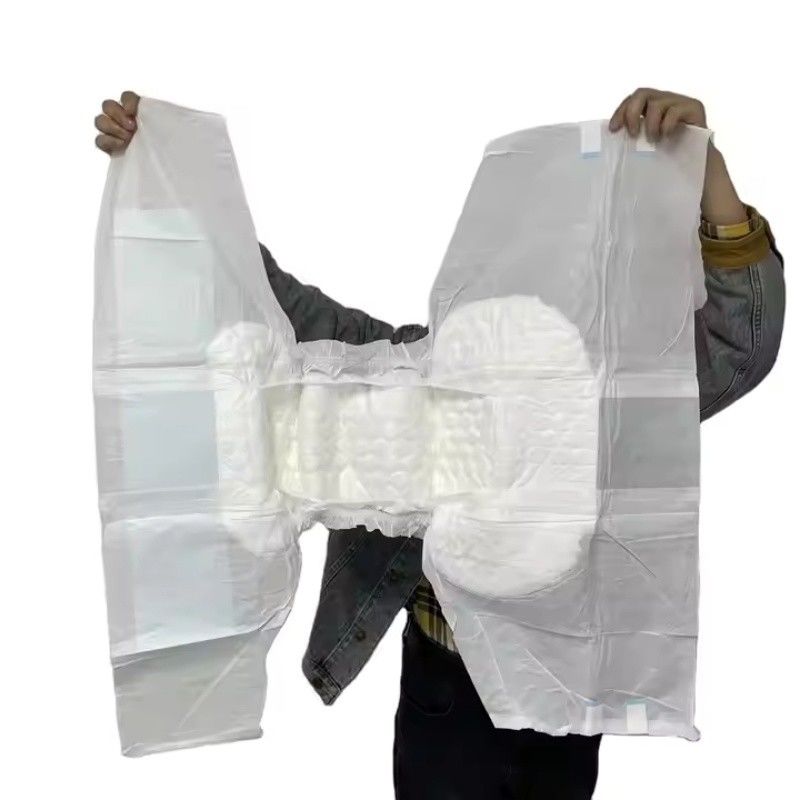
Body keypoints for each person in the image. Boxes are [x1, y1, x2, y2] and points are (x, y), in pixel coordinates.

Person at [95, 88, 785, 799]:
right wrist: (164, 174)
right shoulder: (408, 376)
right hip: (448, 687)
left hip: (568, 684)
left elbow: (740, 349)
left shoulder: (603, 395)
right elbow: (263, 300)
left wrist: (709, 173)